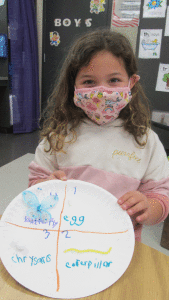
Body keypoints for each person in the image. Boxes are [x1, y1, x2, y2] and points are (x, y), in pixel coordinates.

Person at [28, 29, 169, 242]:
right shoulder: (58, 138)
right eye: (89, 82)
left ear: (131, 83)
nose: (101, 92)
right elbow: (35, 184)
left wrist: (149, 207)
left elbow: (160, 196)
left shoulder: (146, 142)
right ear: (73, 86)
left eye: (113, 80)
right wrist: (45, 185)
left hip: (120, 247)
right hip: (62, 241)